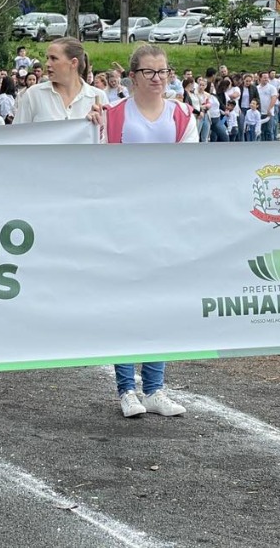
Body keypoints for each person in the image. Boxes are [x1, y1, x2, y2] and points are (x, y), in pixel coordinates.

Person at [104, 44, 195, 418]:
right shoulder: (113, 115)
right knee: (125, 304)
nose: (158, 79)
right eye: (149, 72)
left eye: (163, 72)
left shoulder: (183, 114)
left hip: (166, 222)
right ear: (132, 76)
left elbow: (191, 167)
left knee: (161, 302)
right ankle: (127, 388)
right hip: (124, 222)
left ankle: (155, 387)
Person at [13, 37, 106, 126]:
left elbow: (107, 139)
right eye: (47, 58)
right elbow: (16, 137)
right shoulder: (33, 95)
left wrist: (95, 126)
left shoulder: (98, 97)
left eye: (54, 58)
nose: (47, 64)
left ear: (73, 63)